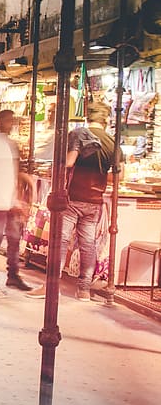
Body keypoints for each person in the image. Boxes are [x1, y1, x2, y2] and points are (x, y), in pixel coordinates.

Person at [50, 100, 117, 302]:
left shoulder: (79, 134)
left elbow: (69, 162)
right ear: (105, 119)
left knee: (61, 240)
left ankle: (52, 286)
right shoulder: (112, 141)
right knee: (88, 244)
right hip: (95, 199)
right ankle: (84, 290)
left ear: (88, 116)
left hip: (73, 197)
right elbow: (119, 173)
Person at [0, 109, 36, 297]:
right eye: (8, 120)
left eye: (12, 120)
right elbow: (8, 173)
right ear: (0, 121)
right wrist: (16, 196)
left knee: (12, 240)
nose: (10, 124)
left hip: (4, 200)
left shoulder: (1, 144)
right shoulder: (0, 145)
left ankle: (12, 276)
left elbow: (12, 173)